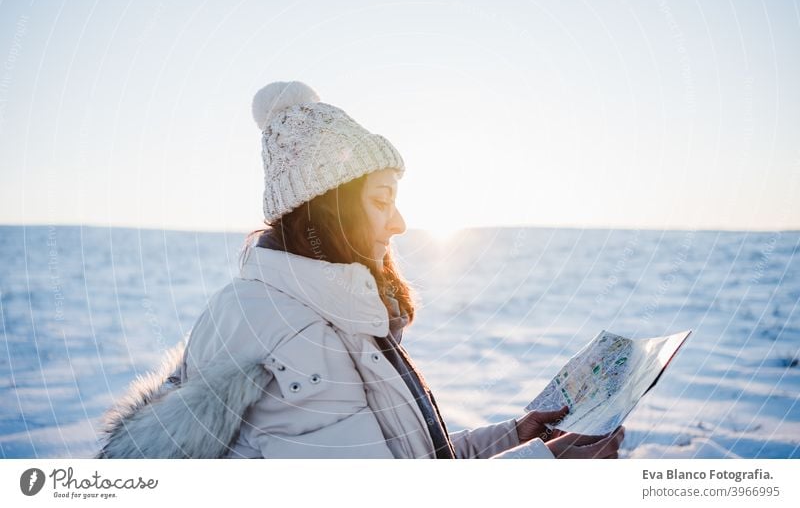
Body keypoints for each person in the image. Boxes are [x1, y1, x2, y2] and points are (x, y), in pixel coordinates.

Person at [96, 81, 624, 459]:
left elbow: (410, 461)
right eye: (381, 200)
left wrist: (517, 436)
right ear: (329, 209)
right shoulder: (296, 330)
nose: (398, 222)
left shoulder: (323, 307)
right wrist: (550, 470)